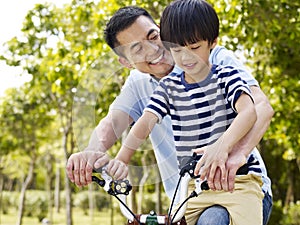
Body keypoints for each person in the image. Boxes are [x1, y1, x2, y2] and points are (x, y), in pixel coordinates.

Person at [66, 4, 273, 225]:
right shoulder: (142, 85)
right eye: (137, 49)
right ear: (125, 62)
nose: (153, 50)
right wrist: (92, 153)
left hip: (239, 184)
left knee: (212, 220)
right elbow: (113, 122)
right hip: (186, 197)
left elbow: (260, 107)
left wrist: (233, 153)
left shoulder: (213, 59)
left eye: (153, 36)